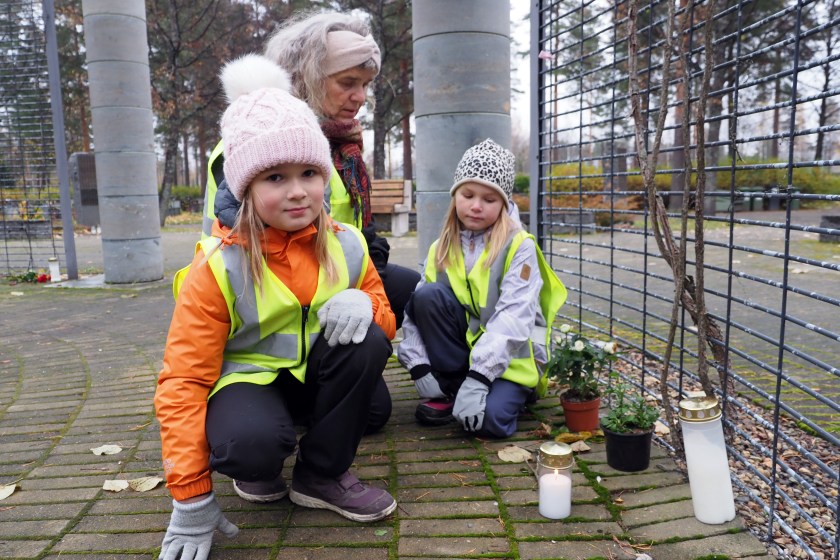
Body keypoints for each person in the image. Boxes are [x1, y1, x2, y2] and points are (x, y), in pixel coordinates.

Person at [155, 55, 397, 560]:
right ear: (245, 187)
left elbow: (385, 318)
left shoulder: (348, 243)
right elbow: (183, 381)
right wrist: (190, 495)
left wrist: (366, 302)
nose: (297, 192)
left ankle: (320, 475)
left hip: (314, 378)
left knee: (370, 350)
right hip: (248, 382)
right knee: (251, 446)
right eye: (274, 178)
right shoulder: (218, 264)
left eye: (309, 172)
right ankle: (259, 461)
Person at [203, 11, 420, 330]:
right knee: (368, 334)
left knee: (418, 292)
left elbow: (363, 231)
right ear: (307, 78)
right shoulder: (251, 145)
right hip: (264, 288)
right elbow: (271, 249)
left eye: (365, 84)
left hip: (334, 265)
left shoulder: (340, 148)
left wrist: (367, 285)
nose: (360, 97)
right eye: (348, 82)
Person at [397, 139, 567, 438]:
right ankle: (453, 388)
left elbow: (514, 317)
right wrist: (419, 365)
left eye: (489, 199)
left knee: (487, 423)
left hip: (514, 359)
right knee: (427, 296)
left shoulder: (519, 246)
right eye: (468, 195)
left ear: (504, 204)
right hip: (469, 356)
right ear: (455, 196)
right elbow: (416, 313)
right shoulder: (441, 247)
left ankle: (507, 393)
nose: (476, 206)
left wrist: (479, 377)